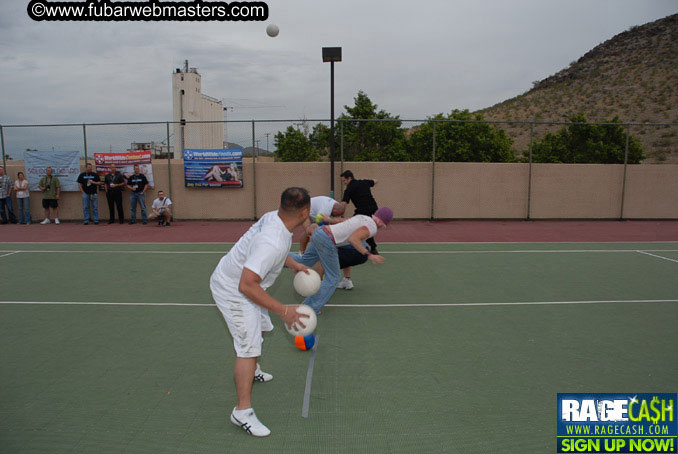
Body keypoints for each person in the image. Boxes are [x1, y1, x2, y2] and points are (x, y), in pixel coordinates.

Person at [209, 187, 313, 437]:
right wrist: (283, 310)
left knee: (262, 329)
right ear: (304, 212)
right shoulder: (273, 241)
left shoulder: (274, 218)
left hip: (245, 284)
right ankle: (242, 412)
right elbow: (246, 285)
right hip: (234, 290)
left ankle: (253, 371)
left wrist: (294, 264)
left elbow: (269, 255)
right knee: (248, 347)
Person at [288, 206, 394, 314]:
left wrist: (329, 220)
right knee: (333, 278)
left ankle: (280, 257)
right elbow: (354, 239)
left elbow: (343, 220)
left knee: (304, 260)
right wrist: (369, 255)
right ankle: (308, 308)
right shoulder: (372, 227)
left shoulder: (363, 217)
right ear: (382, 223)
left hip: (320, 231)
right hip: (327, 239)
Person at [340, 170, 381, 254]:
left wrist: (338, 214)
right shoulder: (364, 182)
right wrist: (367, 180)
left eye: (344, 180)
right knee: (367, 227)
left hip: (363, 212)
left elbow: (343, 204)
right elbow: (376, 181)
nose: (344, 183)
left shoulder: (348, 189)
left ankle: (358, 247)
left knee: (358, 228)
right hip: (374, 209)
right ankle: (373, 248)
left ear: (349, 178)